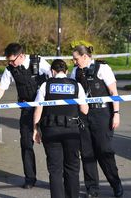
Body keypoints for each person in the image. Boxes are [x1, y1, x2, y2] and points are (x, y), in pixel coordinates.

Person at [0, 43, 52, 189]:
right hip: (27, 109)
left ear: (21, 56)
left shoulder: (38, 61)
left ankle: (55, 178)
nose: (10, 63)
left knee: (50, 144)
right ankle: (30, 178)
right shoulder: (10, 70)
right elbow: (1, 90)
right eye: (8, 61)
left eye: (12, 60)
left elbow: (53, 77)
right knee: (26, 144)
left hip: (45, 108)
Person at [70, 45, 123, 197]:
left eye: (76, 58)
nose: (74, 61)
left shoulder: (103, 68)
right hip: (83, 115)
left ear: (85, 56)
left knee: (104, 150)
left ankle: (116, 183)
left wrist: (116, 113)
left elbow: (114, 92)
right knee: (87, 152)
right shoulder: (75, 71)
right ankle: (92, 189)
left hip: (102, 113)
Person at [33, 59, 88, 198]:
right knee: (72, 168)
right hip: (71, 131)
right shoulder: (77, 86)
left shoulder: (46, 85)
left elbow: (38, 110)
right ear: (67, 71)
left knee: (55, 170)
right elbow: (85, 110)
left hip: (51, 130)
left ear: (52, 71)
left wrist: (35, 129)